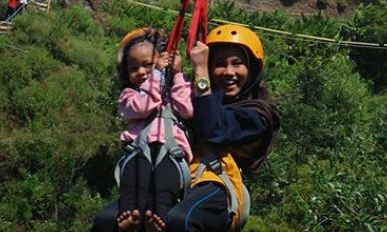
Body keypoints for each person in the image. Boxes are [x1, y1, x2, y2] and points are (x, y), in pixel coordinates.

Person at [92, 25, 279, 232]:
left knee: (181, 221)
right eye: (219, 64)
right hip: (177, 174)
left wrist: (200, 71)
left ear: (251, 69)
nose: (228, 72)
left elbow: (213, 128)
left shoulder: (257, 114)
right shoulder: (201, 97)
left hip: (216, 182)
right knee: (107, 220)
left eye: (237, 64)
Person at [105, 28, 193, 231]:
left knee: (165, 183)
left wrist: (177, 74)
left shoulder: (173, 91)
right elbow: (145, 106)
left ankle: (157, 217)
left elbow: (187, 110)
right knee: (134, 182)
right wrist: (156, 75)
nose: (142, 72)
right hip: (139, 148)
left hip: (171, 151)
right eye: (134, 68)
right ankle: (130, 214)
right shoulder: (128, 96)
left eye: (148, 65)